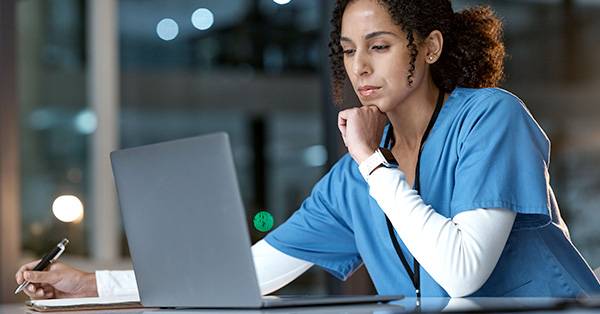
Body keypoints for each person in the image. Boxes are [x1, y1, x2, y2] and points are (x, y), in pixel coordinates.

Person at [16, 0, 600, 299]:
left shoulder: (489, 119)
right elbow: (248, 273)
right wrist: (93, 284)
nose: (361, 67)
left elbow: (463, 272)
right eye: (348, 50)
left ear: (428, 47)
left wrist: (374, 162)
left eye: (380, 45)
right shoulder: (353, 183)